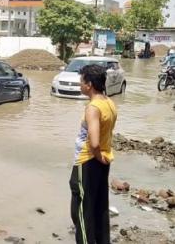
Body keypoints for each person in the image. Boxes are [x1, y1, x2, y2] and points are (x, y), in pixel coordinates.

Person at [69, 64, 118, 244]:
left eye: (81, 81)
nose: (80, 85)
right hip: (103, 161)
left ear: (89, 84)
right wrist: (101, 157)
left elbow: (94, 141)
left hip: (88, 162)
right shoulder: (109, 103)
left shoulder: (93, 108)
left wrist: (96, 156)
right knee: (99, 207)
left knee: (81, 212)